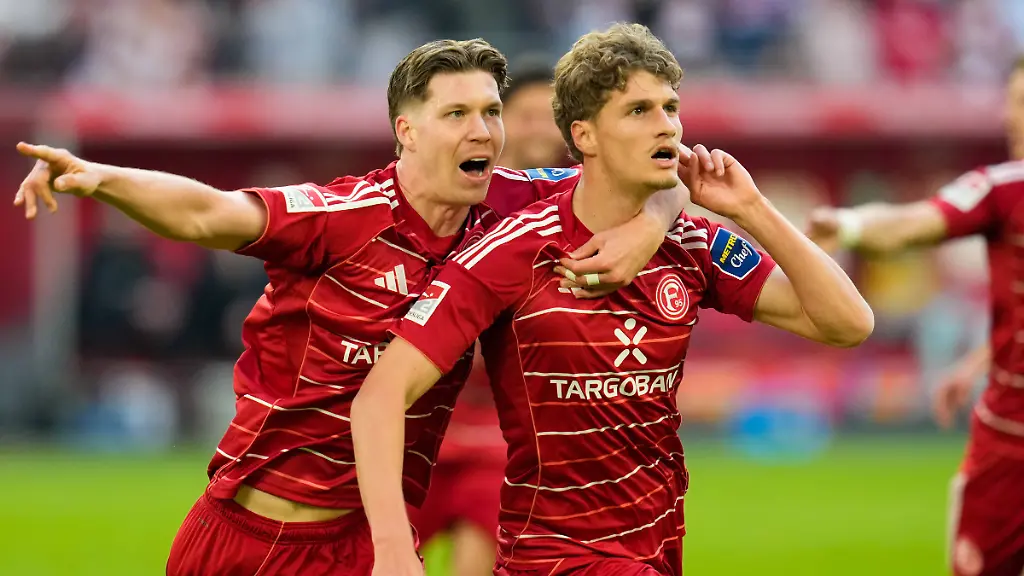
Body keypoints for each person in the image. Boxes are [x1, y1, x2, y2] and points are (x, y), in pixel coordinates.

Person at [13, 38, 687, 576]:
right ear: (407, 131)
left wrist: (649, 224)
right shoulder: (343, 215)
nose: (483, 131)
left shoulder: (509, 208)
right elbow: (205, 214)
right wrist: (100, 178)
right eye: (456, 115)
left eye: (491, 112)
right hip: (246, 531)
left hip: (364, 542)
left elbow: (655, 172)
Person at [352, 23, 874, 576]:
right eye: (639, 111)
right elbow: (381, 394)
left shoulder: (692, 244)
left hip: (656, 546)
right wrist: (392, 551)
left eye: (670, 107)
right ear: (586, 136)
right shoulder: (514, 248)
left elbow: (848, 323)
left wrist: (751, 209)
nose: (666, 126)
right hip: (554, 556)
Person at [805, 55, 1024, 576]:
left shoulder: (1005, 185)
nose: (1011, 117)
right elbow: (913, 221)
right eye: (1012, 102)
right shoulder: (1004, 189)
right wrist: (979, 361)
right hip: (1010, 435)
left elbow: (910, 227)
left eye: (1023, 105)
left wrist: (846, 227)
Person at [407, 56, 566, 576]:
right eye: (526, 114)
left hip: (502, 438)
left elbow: (667, 184)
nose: (539, 127)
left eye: (552, 115)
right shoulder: (447, 193)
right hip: (416, 425)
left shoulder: (578, 203)